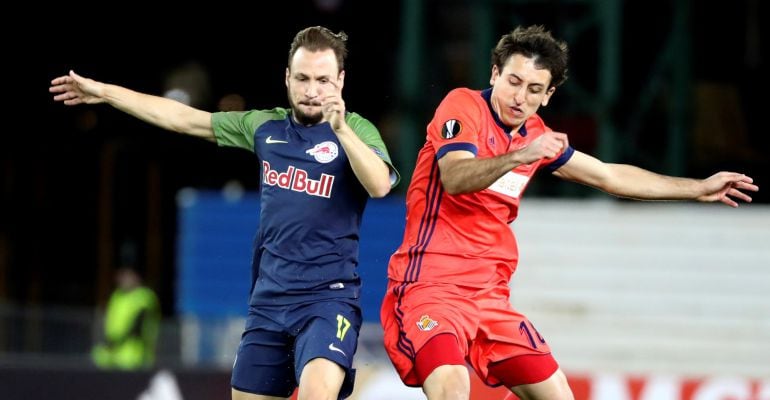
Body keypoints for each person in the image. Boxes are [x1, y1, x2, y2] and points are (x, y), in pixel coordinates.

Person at [380, 25, 759, 400]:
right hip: (431, 287)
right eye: (513, 81)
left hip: (489, 296)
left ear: (548, 96)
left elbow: (609, 176)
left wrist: (697, 188)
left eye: (533, 90)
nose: (519, 97)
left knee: (559, 395)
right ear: (494, 74)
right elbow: (455, 177)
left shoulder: (535, 134)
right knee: (451, 387)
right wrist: (520, 156)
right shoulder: (464, 106)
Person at [51, 26, 400, 400]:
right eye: (302, 78)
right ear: (286, 77)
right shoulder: (264, 126)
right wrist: (105, 93)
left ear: (341, 81)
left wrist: (342, 130)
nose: (312, 90)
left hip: (327, 300)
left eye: (323, 80)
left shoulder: (357, 128)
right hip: (269, 303)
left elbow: (379, 185)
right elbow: (183, 118)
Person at [91, 265, 161, 370]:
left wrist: (117, 343)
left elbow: (138, 325)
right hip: (113, 355)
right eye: (121, 275)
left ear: (136, 277)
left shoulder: (144, 296)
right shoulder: (117, 296)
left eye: (127, 275)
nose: (123, 279)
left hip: (135, 356)